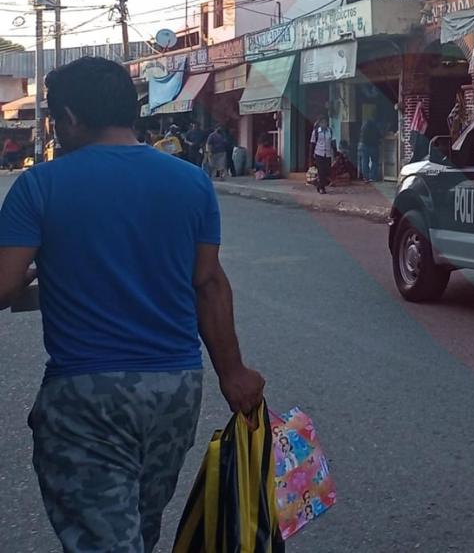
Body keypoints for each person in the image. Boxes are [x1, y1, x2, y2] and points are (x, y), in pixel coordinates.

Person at [0, 56, 264, 553]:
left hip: (87, 394)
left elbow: (2, 286)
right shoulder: (191, 182)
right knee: (140, 526)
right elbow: (207, 283)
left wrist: (30, 279)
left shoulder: (39, 185)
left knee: (106, 538)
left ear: (70, 117)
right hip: (175, 391)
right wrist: (234, 374)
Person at [311, 114, 334, 195]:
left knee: (327, 170)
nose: (324, 124)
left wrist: (335, 152)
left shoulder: (330, 131)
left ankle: (319, 184)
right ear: (319, 123)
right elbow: (312, 143)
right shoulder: (316, 132)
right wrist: (312, 155)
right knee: (321, 171)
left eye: (325, 122)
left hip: (328, 154)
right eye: (322, 122)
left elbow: (333, 142)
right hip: (319, 153)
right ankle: (322, 188)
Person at [358, 115, 382, 182]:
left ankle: (366, 177)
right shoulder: (376, 126)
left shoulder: (364, 126)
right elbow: (380, 135)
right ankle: (373, 177)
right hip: (374, 146)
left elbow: (361, 135)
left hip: (364, 146)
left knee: (365, 162)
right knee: (374, 162)